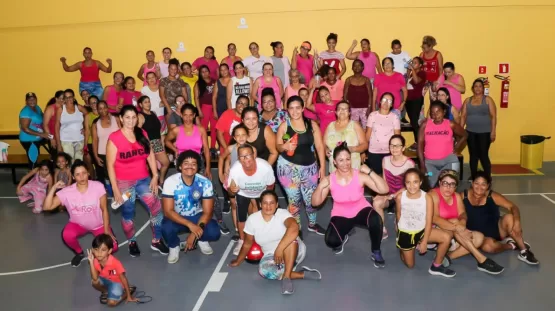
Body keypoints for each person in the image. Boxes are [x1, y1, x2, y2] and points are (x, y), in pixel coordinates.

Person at [229, 190, 321, 295]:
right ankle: (301, 274)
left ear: (277, 204)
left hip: (293, 249)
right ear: (260, 204)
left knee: (290, 239)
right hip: (271, 255)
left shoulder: (283, 213)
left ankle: (286, 278)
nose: (268, 206)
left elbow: (294, 228)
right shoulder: (252, 220)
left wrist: (280, 249)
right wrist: (238, 261)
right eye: (265, 203)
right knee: (265, 272)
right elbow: (247, 243)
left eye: (272, 203)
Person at [312, 143, 388, 267]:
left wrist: (370, 172)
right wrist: (320, 186)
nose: (345, 163)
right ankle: (345, 233)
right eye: (341, 160)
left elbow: (384, 189)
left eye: (348, 159)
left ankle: (376, 251)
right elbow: (315, 203)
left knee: (376, 220)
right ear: (335, 162)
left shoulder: (359, 175)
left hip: (361, 210)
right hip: (341, 214)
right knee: (331, 242)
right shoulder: (330, 180)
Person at [106, 105, 167, 257]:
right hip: (124, 182)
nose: (131, 121)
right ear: (121, 118)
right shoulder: (114, 138)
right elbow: (110, 165)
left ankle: (157, 240)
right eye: (127, 117)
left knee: (156, 206)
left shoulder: (142, 133)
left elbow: (150, 155)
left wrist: (155, 175)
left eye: (134, 117)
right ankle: (131, 241)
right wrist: (115, 188)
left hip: (143, 179)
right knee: (128, 213)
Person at [43, 160, 119, 266]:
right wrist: (54, 188)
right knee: (67, 235)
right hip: (78, 225)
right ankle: (79, 253)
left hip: (98, 225)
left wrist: (106, 231)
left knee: (113, 246)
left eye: (84, 173)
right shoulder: (67, 192)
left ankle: (96, 254)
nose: (81, 177)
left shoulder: (98, 186)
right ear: (73, 177)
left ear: (88, 173)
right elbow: (47, 207)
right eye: (77, 174)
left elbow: (104, 209)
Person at [430, 170, 504, 274]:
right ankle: (481, 260)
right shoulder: (433, 194)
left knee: (479, 238)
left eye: (452, 184)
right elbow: (435, 219)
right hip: (435, 234)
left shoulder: (456, 196)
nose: (448, 187)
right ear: (439, 183)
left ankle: (445, 257)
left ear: (456, 186)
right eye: (445, 183)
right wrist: (457, 227)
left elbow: (462, 214)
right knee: (455, 221)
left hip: (452, 234)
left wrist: (463, 223)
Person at [276, 96, 326, 237]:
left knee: (311, 200)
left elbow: (319, 146)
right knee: (294, 201)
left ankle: (312, 224)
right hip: (287, 169)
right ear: (287, 109)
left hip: (309, 168)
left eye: (298, 107)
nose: (295, 111)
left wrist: (322, 167)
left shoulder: (311, 124)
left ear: (303, 108)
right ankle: (296, 228)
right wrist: (284, 146)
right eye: (291, 108)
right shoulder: (284, 126)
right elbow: (278, 147)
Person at [463, 172, 538, 264]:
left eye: (483, 184)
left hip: (497, 230)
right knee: (489, 247)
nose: (479, 187)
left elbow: (513, 207)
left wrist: (517, 222)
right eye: (476, 183)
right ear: (472, 183)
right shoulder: (463, 196)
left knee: (510, 217)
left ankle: (524, 251)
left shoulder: (493, 196)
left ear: (488, 185)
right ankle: (512, 245)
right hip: (478, 236)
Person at [162, 151, 222, 263]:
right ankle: (174, 246)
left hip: (197, 216)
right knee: (166, 227)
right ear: (180, 166)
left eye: (194, 163)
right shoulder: (170, 182)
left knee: (214, 232)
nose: (190, 166)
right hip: (177, 217)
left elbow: (208, 212)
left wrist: (194, 234)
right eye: (186, 163)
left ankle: (201, 239)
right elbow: (168, 212)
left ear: (198, 167)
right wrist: (191, 226)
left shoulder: (205, 182)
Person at [395, 168, 456, 277]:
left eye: (415, 182)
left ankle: (436, 266)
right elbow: (399, 214)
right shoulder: (400, 197)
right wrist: (400, 231)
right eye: (408, 182)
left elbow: (429, 220)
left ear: (421, 182)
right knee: (410, 265)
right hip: (406, 233)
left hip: (422, 231)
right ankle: (402, 249)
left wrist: (424, 241)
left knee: (446, 237)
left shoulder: (427, 197)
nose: (412, 185)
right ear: (405, 183)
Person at [227, 144, 276, 255]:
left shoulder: (265, 167)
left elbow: (270, 186)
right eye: (242, 157)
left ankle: (265, 239)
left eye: (248, 155)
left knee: (265, 216)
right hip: (243, 193)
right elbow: (230, 192)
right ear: (238, 158)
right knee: (241, 217)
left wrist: (265, 200)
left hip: (261, 193)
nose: (246, 159)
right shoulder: (235, 169)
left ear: (254, 155)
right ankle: (242, 240)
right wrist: (232, 190)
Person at [418, 101, 467, 188]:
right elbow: (420, 146)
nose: (435, 115)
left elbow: (465, 135)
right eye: (432, 113)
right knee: (431, 186)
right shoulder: (425, 125)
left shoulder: (450, 124)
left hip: (449, 162)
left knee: (449, 185)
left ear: (444, 112)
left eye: (438, 112)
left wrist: (457, 147)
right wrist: (422, 165)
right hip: (430, 164)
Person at [461, 79, 497, 180]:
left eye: (480, 86)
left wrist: (493, 131)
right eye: (475, 86)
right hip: (470, 132)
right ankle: (474, 176)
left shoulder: (488, 100)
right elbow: (463, 116)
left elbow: (493, 116)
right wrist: (460, 131)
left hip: (485, 132)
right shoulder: (467, 100)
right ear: (472, 88)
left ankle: (487, 177)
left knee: (483, 154)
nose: (477, 88)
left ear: (483, 88)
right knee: (473, 155)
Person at [87, 234, 137, 306]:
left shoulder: (115, 263)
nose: (99, 253)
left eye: (103, 250)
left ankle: (127, 292)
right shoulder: (95, 260)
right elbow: (95, 278)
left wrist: (129, 296)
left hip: (117, 283)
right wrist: (91, 262)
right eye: (96, 249)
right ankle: (106, 292)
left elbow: (123, 278)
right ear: (92, 250)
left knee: (111, 303)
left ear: (109, 251)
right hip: (106, 280)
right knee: (94, 282)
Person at [324, 101, 367, 173]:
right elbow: (323, 144)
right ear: (336, 112)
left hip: (352, 167)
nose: (342, 111)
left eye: (345, 109)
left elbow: (365, 145)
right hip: (335, 168)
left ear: (349, 112)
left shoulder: (355, 125)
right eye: (339, 109)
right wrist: (326, 149)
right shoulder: (330, 126)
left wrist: (353, 149)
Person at [365, 93, 401, 174]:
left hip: (389, 152)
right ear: (380, 101)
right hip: (374, 152)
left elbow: (397, 137)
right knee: (376, 177)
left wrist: (398, 152)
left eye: (389, 101)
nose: (386, 102)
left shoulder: (395, 117)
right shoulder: (372, 115)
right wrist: (363, 152)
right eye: (384, 99)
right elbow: (367, 135)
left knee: (388, 177)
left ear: (391, 104)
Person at [137, 96, 170, 183]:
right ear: (140, 105)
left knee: (163, 163)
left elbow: (158, 130)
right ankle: (155, 183)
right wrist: (145, 143)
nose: (148, 103)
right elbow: (137, 132)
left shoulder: (153, 113)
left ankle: (160, 181)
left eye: (149, 101)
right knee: (160, 163)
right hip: (149, 144)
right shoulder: (140, 116)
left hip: (158, 142)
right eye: (145, 102)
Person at [382, 135, 415, 214]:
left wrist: (393, 195)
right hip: (389, 194)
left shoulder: (409, 164)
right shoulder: (385, 160)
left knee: (399, 200)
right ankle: (382, 226)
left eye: (397, 146)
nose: (394, 148)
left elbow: (408, 186)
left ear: (403, 148)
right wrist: (383, 195)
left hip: (403, 195)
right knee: (376, 202)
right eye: (392, 146)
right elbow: (384, 181)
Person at [92, 101, 120, 193]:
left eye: (104, 107)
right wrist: (96, 156)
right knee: (108, 175)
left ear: (107, 107)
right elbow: (95, 141)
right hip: (103, 153)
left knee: (119, 174)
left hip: (118, 151)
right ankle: (112, 194)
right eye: (100, 108)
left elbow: (123, 134)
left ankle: (120, 192)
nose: (103, 110)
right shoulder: (95, 123)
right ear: (98, 110)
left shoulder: (116, 119)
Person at [19, 92, 50, 169]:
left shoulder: (37, 108)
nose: (32, 101)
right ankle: (31, 178)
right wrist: (42, 134)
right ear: (26, 101)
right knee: (33, 161)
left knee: (52, 141)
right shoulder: (25, 112)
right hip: (29, 140)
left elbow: (43, 116)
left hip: (38, 138)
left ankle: (52, 163)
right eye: (30, 100)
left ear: (36, 99)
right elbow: (25, 128)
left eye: (34, 99)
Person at [55, 89, 88, 161]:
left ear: (73, 98)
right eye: (66, 97)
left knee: (79, 162)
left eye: (70, 97)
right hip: (66, 140)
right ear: (64, 99)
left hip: (80, 139)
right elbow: (57, 126)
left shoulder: (79, 107)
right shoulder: (61, 110)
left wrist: (85, 127)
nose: (68, 99)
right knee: (69, 162)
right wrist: (58, 144)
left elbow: (86, 114)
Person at [343, 59, 373, 129]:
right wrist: (347, 108)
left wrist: (369, 108)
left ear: (363, 67)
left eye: (359, 65)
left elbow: (370, 95)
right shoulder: (348, 80)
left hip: (365, 108)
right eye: (355, 65)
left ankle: (365, 140)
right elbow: (345, 95)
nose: (357, 67)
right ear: (352, 68)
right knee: (354, 128)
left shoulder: (366, 80)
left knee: (366, 128)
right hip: (352, 109)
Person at [194, 65, 217, 153]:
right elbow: (196, 98)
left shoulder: (214, 81)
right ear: (200, 73)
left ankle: (212, 148)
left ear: (209, 72)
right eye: (202, 72)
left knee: (214, 128)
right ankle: (204, 147)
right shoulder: (198, 84)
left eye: (206, 71)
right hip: (204, 107)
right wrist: (199, 110)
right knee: (203, 128)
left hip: (214, 107)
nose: (204, 73)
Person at [405, 57, 426, 150]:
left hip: (416, 100)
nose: (413, 63)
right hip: (409, 100)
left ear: (420, 65)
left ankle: (419, 143)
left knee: (415, 121)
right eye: (412, 62)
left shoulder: (422, 73)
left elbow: (417, 81)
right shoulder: (411, 74)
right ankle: (418, 141)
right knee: (413, 122)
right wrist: (408, 71)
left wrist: (412, 70)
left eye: (415, 63)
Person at [141, 72, 167, 139]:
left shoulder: (161, 87)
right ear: (146, 80)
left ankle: (162, 149)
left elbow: (167, 98)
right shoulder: (144, 89)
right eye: (149, 78)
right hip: (150, 115)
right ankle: (153, 149)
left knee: (162, 134)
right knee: (152, 135)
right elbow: (143, 102)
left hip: (161, 114)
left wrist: (163, 102)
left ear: (156, 78)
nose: (151, 79)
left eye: (152, 77)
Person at [43, 90, 65, 155]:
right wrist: (51, 139)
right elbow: (45, 124)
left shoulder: (65, 108)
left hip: (64, 138)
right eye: (61, 98)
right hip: (54, 137)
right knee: (56, 158)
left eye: (64, 98)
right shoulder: (50, 108)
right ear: (56, 99)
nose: (63, 100)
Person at [83, 96, 99, 178]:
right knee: (91, 164)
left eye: (95, 102)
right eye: (91, 103)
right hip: (91, 142)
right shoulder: (88, 116)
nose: (94, 104)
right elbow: (87, 131)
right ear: (89, 104)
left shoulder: (103, 113)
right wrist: (85, 146)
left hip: (102, 143)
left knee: (100, 164)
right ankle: (93, 181)